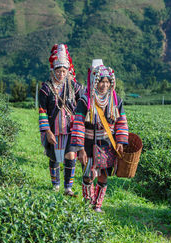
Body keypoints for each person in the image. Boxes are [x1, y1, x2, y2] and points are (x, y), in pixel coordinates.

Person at [70, 60, 128, 212]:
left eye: (107, 82)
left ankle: (97, 205)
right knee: (88, 175)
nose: (104, 85)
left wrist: (121, 141)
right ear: (95, 82)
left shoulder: (115, 100)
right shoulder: (85, 101)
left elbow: (121, 121)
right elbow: (78, 124)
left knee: (103, 176)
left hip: (107, 143)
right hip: (88, 144)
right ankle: (87, 203)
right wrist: (80, 149)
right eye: (101, 81)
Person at [38, 44, 83, 196]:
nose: (61, 74)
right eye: (58, 71)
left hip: (70, 128)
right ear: (54, 71)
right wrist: (47, 131)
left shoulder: (74, 87)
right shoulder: (46, 89)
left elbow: (83, 102)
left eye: (64, 71)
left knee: (70, 155)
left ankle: (68, 187)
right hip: (53, 129)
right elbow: (42, 112)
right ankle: (55, 185)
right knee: (55, 157)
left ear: (68, 71)